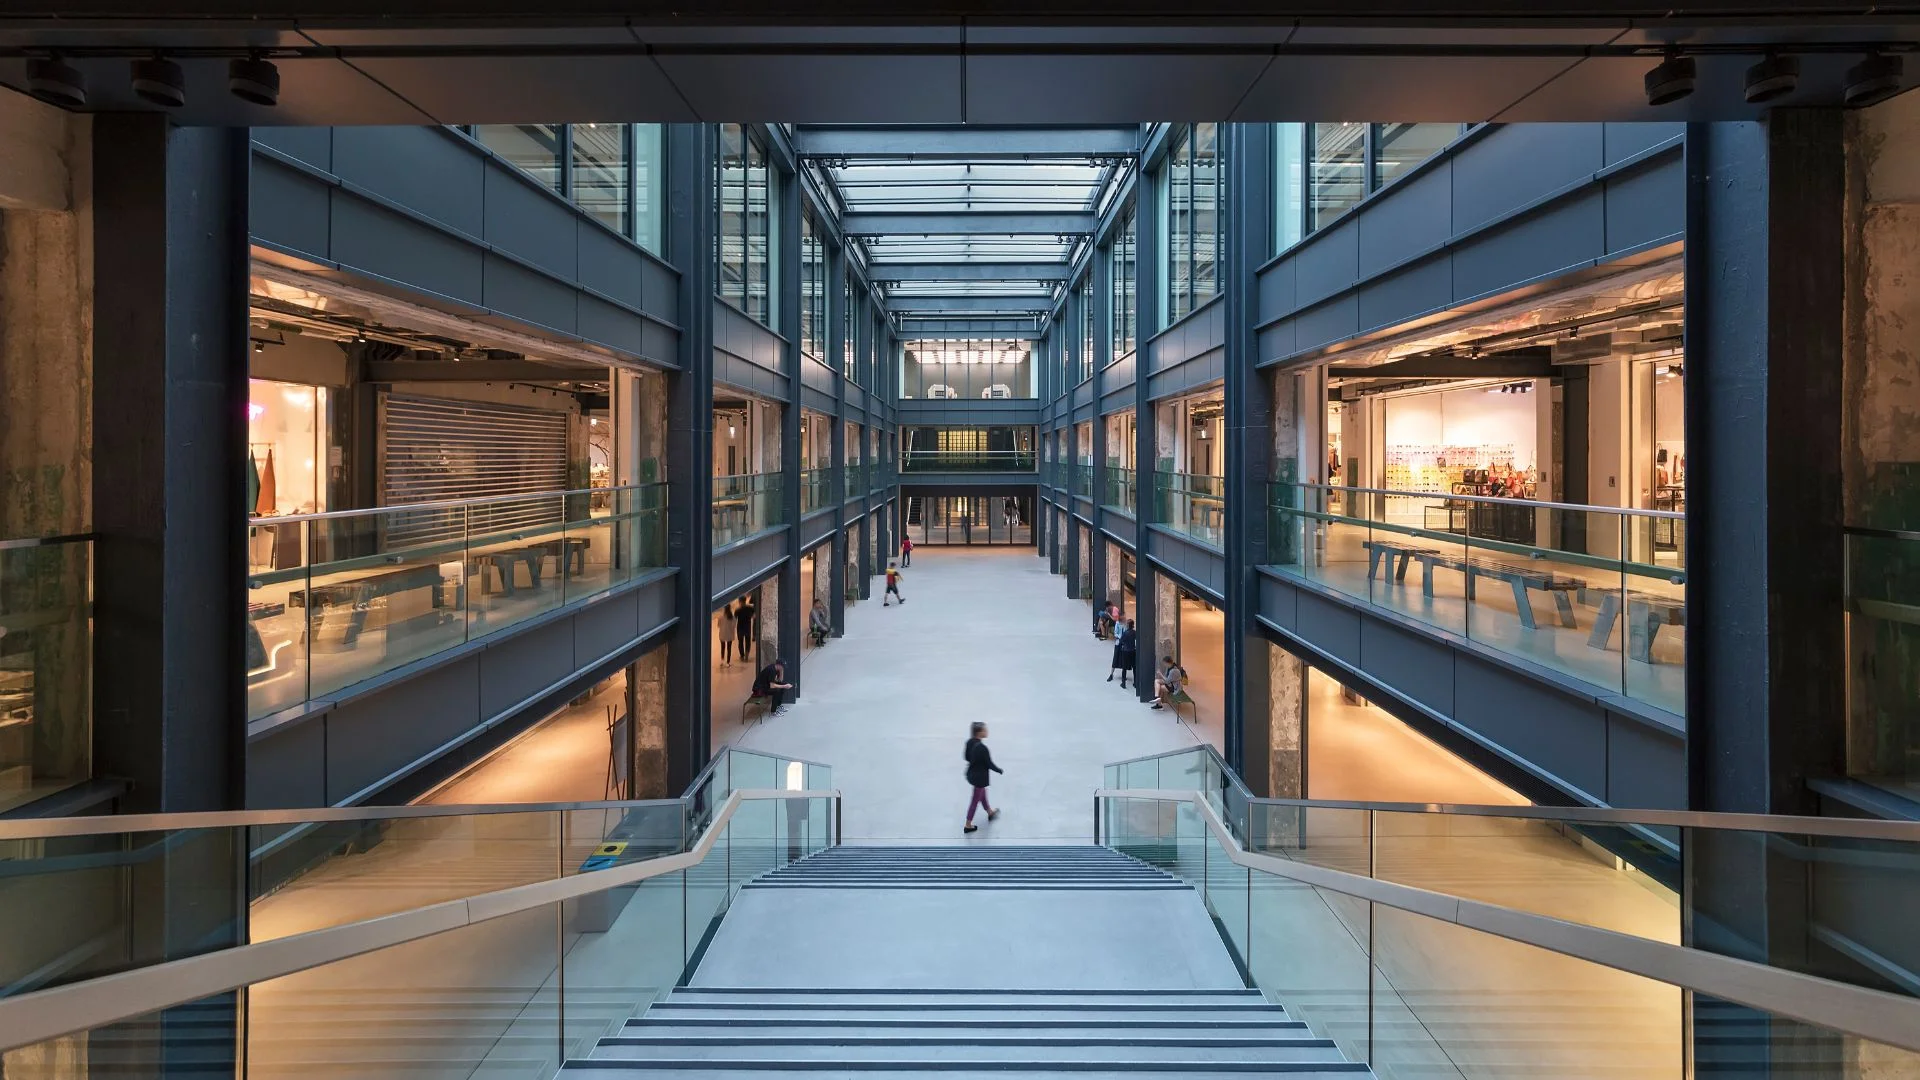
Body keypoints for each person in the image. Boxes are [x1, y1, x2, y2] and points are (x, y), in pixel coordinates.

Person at [962, 721, 1003, 834]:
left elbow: (966, 757)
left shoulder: (969, 742)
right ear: (979, 733)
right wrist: (999, 770)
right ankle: (968, 825)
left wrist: (975, 761)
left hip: (972, 774)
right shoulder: (982, 748)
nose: (987, 731)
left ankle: (990, 812)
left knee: (982, 794)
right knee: (975, 800)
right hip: (980, 778)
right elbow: (989, 764)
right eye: (985, 730)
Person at [1108, 618, 1138, 687]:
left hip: (1126, 651)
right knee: (1134, 667)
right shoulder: (1134, 632)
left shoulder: (1125, 633)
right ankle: (1135, 683)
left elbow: (1121, 641)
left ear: (1128, 625)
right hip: (1133, 651)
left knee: (1124, 668)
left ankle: (1123, 683)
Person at [737, 595, 757, 659]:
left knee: (740, 642)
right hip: (747, 627)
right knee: (748, 641)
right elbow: (754, 616)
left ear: (740, 601)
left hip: (740, 628)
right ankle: (747, 655)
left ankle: (742, 655)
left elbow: (734, 620)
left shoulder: (738, 610)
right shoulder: (750, 608)